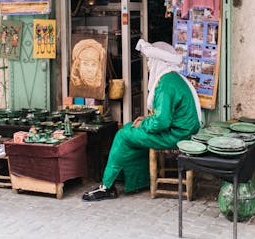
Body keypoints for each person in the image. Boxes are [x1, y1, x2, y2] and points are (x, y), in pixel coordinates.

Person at [82, 39, 202, 201]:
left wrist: (145, 123)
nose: (147, 65)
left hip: (177, 135)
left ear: (158, 62)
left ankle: (106, 186)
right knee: (131, 127)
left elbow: (161, 122)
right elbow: (166, 116)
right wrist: (145, 120)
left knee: (123, 134)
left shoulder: (166, 83)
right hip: (183, 131)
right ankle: (134, 178)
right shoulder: (173, 78)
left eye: (149, 61)